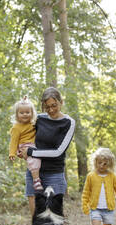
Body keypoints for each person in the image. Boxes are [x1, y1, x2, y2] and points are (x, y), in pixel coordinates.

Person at [20, 87, 76, 216]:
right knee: (37, 219)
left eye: (54, 105)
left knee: (53, 219)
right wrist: (20, 149)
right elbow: (21, 127)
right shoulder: (38, 118)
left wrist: (31, 152)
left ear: (61, 102)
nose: (51, 110)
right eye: (47, 107)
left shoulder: (69, 123)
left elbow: (58, 152)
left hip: (54, 175)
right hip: (34, 174)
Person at [9, 96, 43, 191]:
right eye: (21, 113)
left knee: (40, 157)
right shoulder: (16, 127)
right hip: (25, 145)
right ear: (17, 115)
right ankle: (36, 180)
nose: (25, 114)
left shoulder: (33, 124)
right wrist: (12, 153)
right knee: (33, 159)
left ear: (32, 114)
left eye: (27, 112)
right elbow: (13, 141)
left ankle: (38, 175)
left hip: (35, 145)